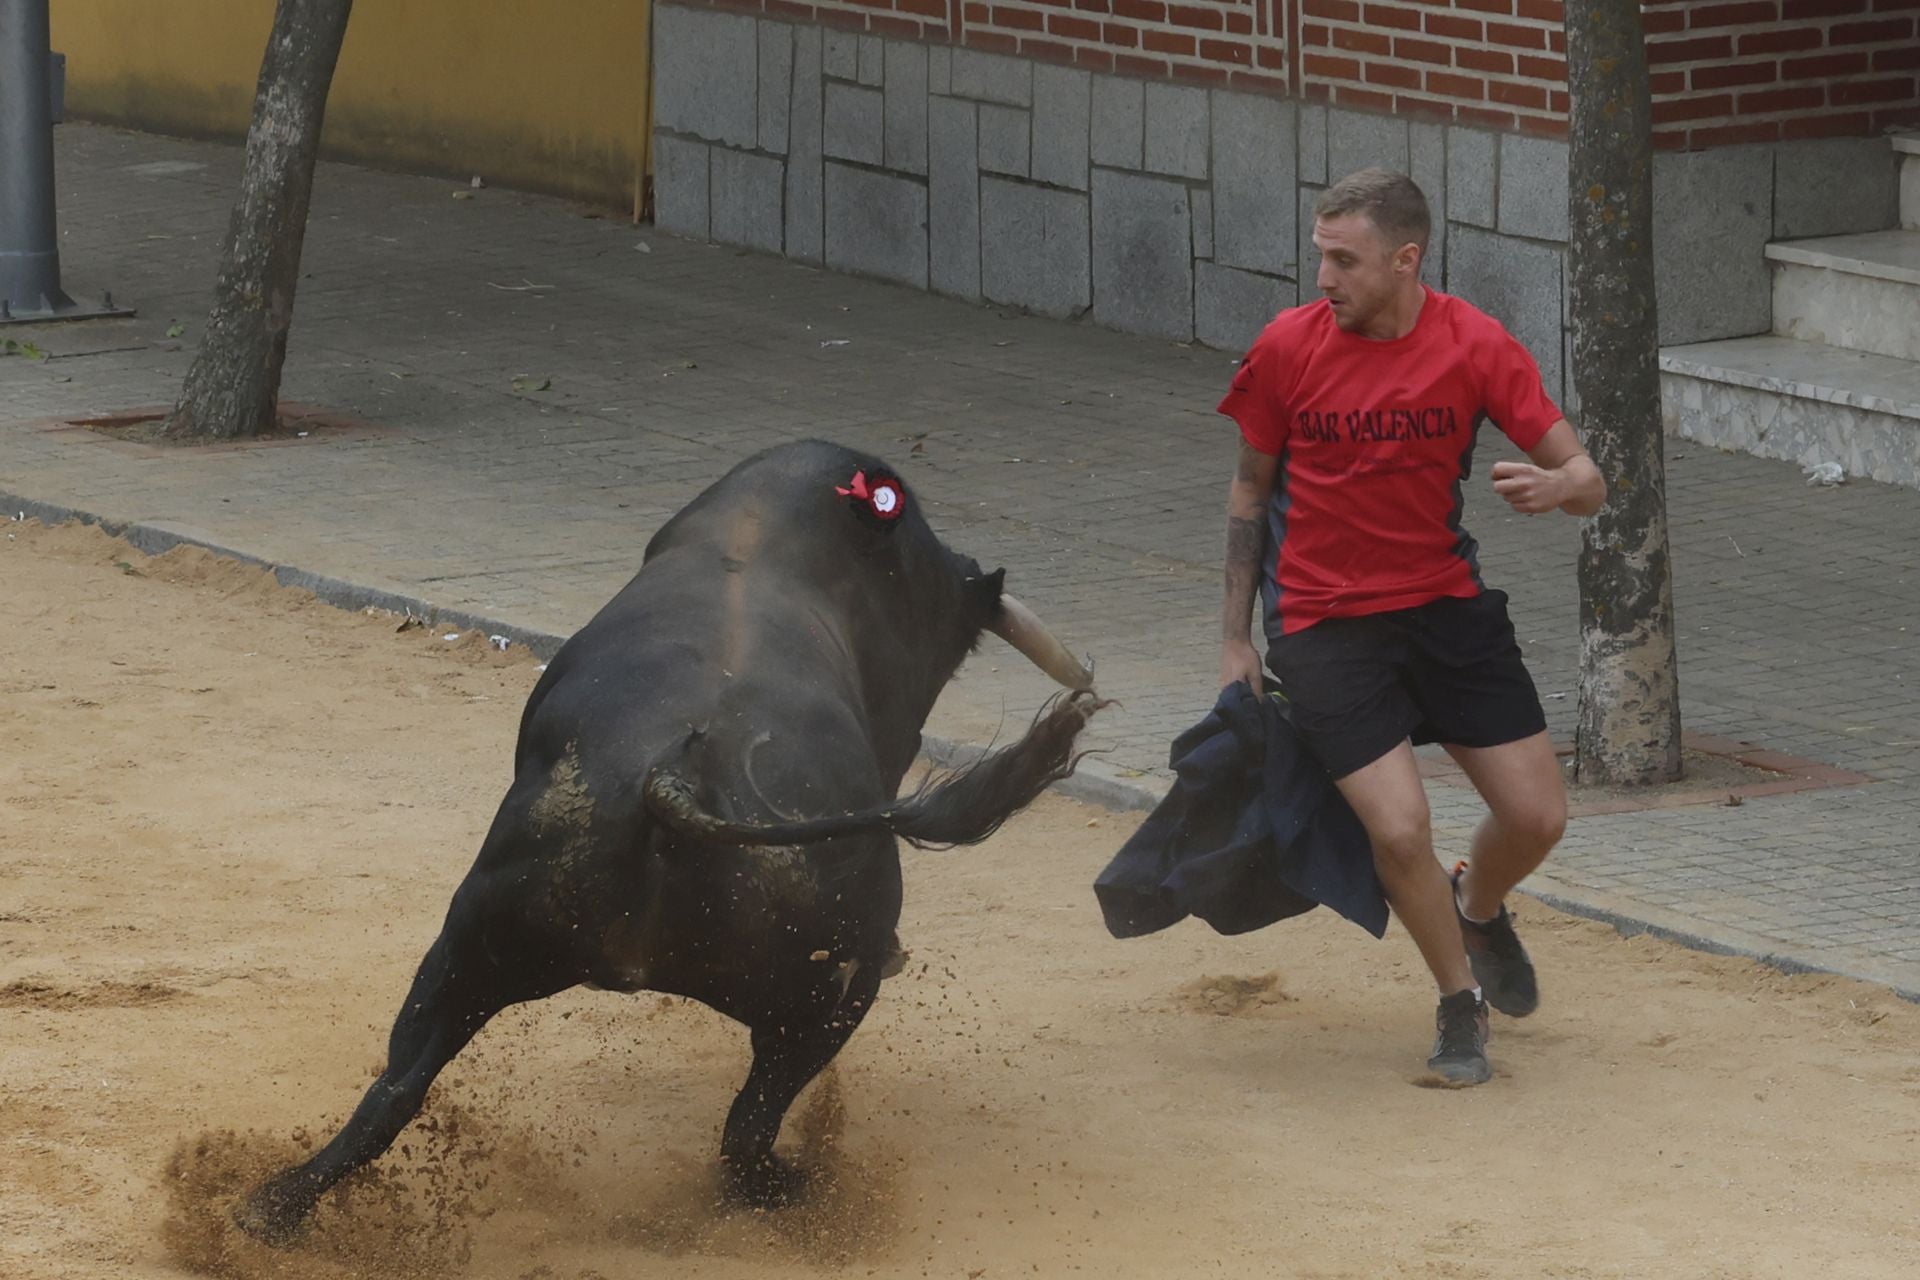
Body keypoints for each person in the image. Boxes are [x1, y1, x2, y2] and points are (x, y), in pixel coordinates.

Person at [1215, 167, 1606, 1085]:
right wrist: (1236, 638)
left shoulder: (1473, 344)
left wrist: (1559, 488)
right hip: (1323, 623)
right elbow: (1248, 491)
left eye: (1343, 261)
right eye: (1319, 256)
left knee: (1538, 816)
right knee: (1399, 831)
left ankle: (1480, 899)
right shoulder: (1288, 348)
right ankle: (1458, 1001)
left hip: (1442, 610)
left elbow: (1588, 479)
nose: (1323, 279)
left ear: (1405, 258)